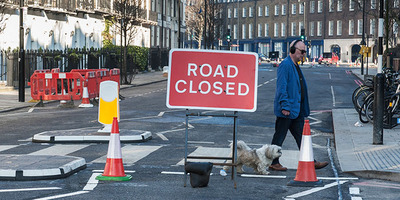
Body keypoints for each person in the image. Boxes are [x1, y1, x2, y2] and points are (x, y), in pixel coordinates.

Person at [269, 40, 329, 171]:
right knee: (279, 136)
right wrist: (285, 106)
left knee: (302, 137)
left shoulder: (294, 65)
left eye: (305, 52)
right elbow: (281, 87)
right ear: (292, 50)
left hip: (296, 110)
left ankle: (310, 161)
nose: (304, 54)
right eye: (302, 51)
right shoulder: (285, 65)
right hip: (287, 109)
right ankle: (273, 162)